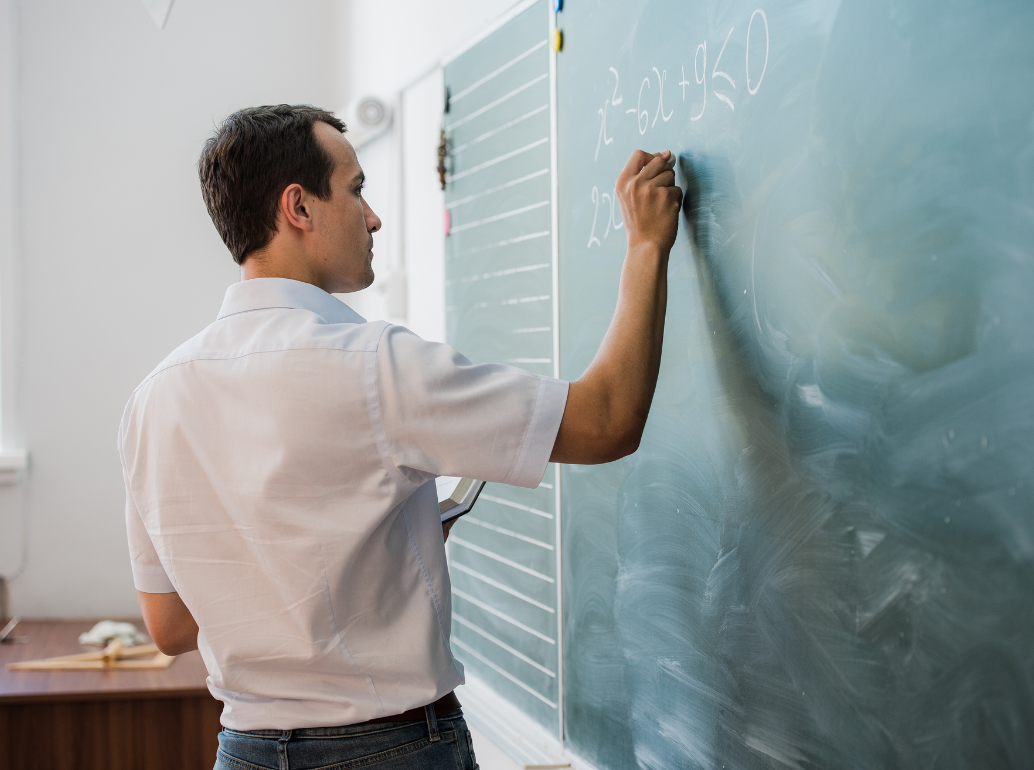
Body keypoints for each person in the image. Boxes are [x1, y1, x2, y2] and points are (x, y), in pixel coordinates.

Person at [119, 104, 681, 770]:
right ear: (297, 206)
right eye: (355, 189)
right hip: (386, 751)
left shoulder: (152, 398)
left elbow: (172, 626)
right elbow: (607, 420)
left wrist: (373, 549)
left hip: (243, 752)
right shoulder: (373, 365)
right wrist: (646, 245)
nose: (374, 215)